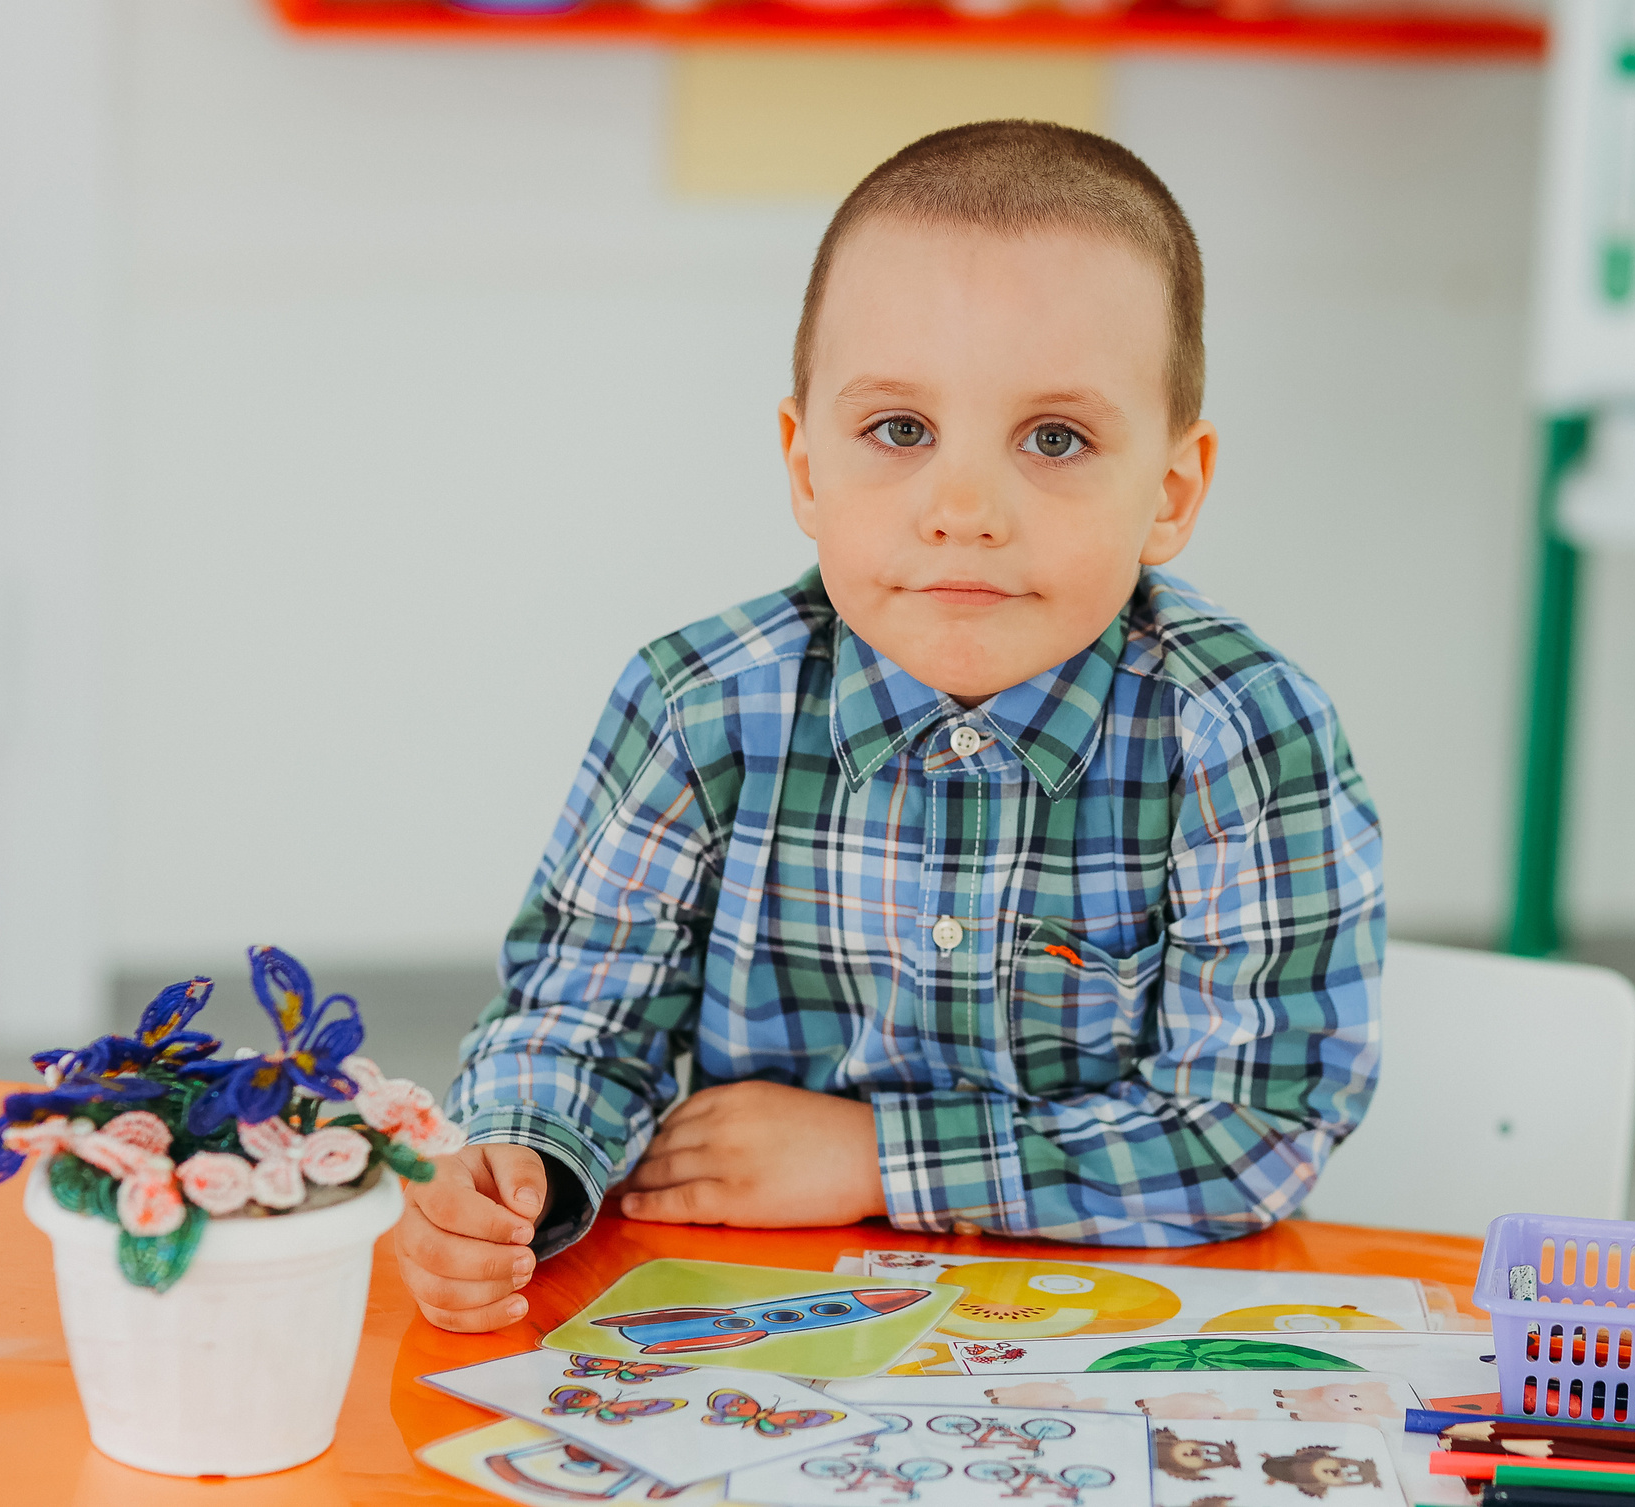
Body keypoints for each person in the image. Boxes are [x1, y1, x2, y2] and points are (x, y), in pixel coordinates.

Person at [394, 121, 1384, 1332]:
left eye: (1055, 439)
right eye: (899, 432)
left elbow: (1256, 1127)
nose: (962, 510)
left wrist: (878, 1159)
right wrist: (521, 1163)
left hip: (1116, 1336)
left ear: (1170, 494)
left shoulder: (1244, 737)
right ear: (805, 466)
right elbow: (583, 1020)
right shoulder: (698, 705)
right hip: (764, 1326)